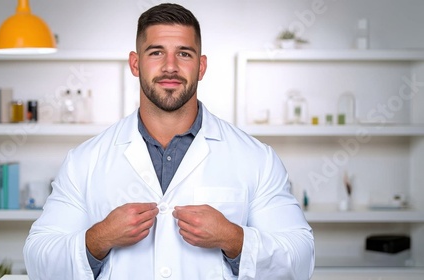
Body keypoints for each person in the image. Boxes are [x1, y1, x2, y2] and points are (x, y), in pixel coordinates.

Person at [23, 3, 315, 279]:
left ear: (201, 67)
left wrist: (233, 238)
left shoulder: (256, 158)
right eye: (156, 53)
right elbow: (38, 259)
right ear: (135, 63)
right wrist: (99, 238)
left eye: (184, 54)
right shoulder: (84, 160)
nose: (171, 67)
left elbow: (300, 259)